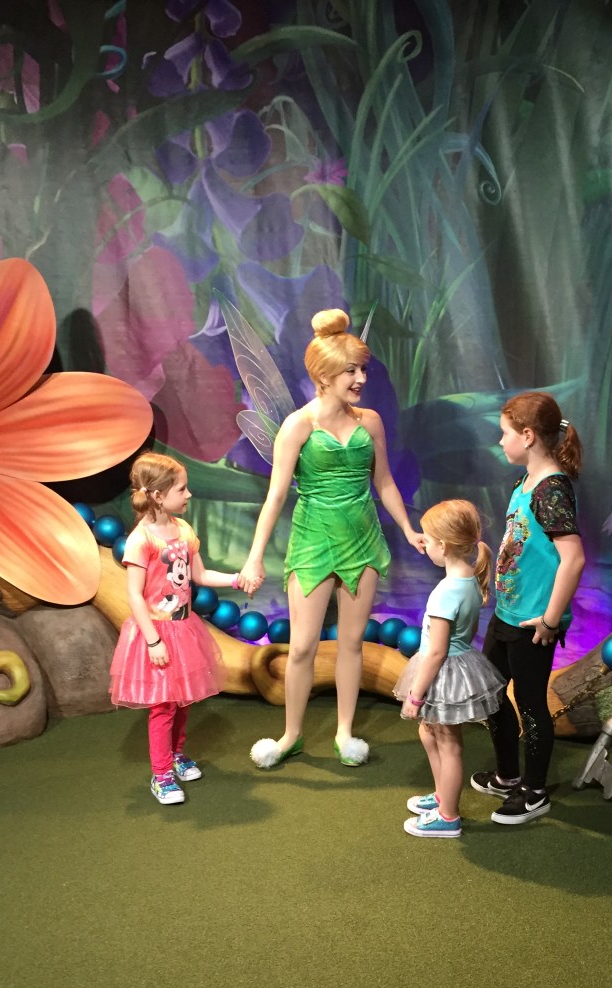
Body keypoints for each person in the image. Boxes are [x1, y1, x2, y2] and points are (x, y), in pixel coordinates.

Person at [237, 309, 424, 768]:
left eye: (362, 369)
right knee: (302, 646)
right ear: (324, 376)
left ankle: (344, 732)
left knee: (351, 644)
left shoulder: (370, 422)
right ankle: (291, 735)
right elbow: (275, 496)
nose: (361, 378)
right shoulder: (298, 425)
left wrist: (408, 529)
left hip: (362, 541)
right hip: (313, 541)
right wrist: (254, 558)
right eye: (351, 371)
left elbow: (384, 481)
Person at [471, 390, 585, 825]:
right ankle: (507, 775)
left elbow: (573, 559)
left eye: (505, 434)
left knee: (531, 704)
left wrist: (551, 620)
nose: (501, 441)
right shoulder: (525, 482)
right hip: (507, 613)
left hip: (534, 622)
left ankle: (535, 792)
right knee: (491, 692)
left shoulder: (552, 489)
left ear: (528, 435)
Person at [109, 452, 243, 805]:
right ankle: (161, 774)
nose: (189, 494)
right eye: (182, 489)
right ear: (157, 495)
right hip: (156, 632)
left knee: (183, 701)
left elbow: (200, 575)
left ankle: (176, 755)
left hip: (184, 630)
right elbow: (134, 595)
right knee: (163, 707)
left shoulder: (183, 529)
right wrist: (153, 641)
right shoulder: (141, 539)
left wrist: (236, 579)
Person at [394, 500, 505, 839]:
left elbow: (437, 651)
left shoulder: (445, 593)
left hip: (443, 671)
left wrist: (415, 695)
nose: (424, 545)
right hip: (455, 664)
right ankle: (443, 794)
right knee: (431, 732)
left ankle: (448, 815)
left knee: (448, 743)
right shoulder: (469, 578)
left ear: (442, 546)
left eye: (427, 540)